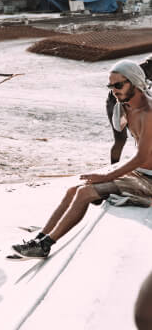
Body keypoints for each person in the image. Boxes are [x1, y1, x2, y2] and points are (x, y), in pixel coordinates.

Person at [12, 60, 152, 258]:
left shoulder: (148, 112)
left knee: (85, 193)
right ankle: (39, 239)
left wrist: (106, 176)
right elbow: (121, 131)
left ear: (135, 83)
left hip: (149, 180)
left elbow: (141, 157)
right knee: (72, 191)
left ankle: (46, 246)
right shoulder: (126, 105)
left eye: (118, 85)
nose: (114, 91)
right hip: (140, 173)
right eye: (111, 86)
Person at [108, 55, 152, 163]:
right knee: (121, 140)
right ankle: (113, 167)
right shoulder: (139, 71)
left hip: (132, 101)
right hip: (118, 101)